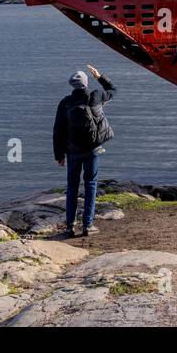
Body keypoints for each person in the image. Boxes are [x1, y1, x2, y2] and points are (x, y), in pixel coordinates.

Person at [52, 63, 116, 237]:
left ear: (71, 85)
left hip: (72, 152)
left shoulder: (65, 103)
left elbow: (58, 131)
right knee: (91, 185)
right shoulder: (96, 96)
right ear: (86, 83)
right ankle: (88, 225)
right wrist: (99, 76)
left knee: (72, 187)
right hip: (93, 150)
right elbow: (113, 90)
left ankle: (70, 226)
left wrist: (59, 155)